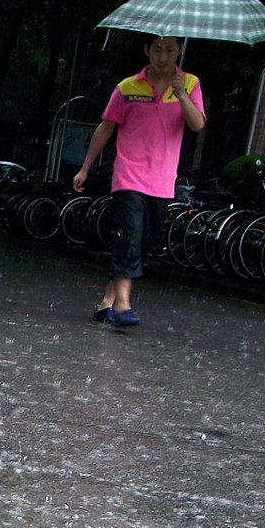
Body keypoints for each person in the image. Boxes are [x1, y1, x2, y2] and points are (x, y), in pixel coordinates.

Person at [73, 36, 205, 327]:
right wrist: (85, 167)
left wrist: (182, 95)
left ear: (179, 50)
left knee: (141, 242)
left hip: (162, 181)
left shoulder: (191, 84)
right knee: (129, 236)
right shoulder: (127, 87)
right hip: (128, 175)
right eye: (157, 49)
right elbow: (106, 127)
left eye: (170, 49)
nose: (163, 55)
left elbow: (197, 124)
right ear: (146, 50)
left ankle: (106, 301)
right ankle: (122, 305)